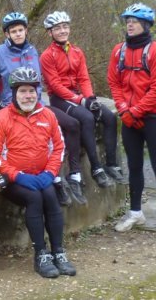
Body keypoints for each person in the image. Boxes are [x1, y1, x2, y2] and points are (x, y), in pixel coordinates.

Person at [0, 12, 84, 206]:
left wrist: (37, 103)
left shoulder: (32, 51)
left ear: (26, 30)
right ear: (7, 34)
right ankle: (52, 181)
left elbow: (37, 81)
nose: (18, 34)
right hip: (10, 109)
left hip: (36, 106)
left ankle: (69, 175)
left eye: (20, 30)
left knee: (70, 124)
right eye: (13, 31)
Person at [0, 66, 77, 278]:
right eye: (22, 91)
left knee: (50, 196)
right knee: (35, 198)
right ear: (14, 93)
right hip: (14, 179)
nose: (28, 96)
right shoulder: (1, 118)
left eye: (31, 91)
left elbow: (59, 147)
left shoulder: (48, 115)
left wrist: (50, 172)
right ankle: (41, 255)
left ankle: (58, 252)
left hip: (42, 175)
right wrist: (16, 175)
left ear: (37, 93)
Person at [107, 3, 156, 239]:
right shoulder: (119, 51)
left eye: (134, 21)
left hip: (153, 116)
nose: (130, 24)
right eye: (128, 21)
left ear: (145, 25)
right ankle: (136, 212)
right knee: (134, 166)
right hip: (129, 116)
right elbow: (113, 81)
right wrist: (124, 108)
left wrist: (135, 110)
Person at [40, 11, 123, 203]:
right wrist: (80, 101)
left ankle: (111, 164)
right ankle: (96, 167)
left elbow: (83, 78)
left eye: (65, 27)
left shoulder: (77, 51)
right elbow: (55, 86)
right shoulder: (47, 55)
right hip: (60, 99)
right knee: (86, 117)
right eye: (57, 28)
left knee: (109, 117)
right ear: (50, 32)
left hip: (78, 95)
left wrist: (90, 98)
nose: (62, 31)